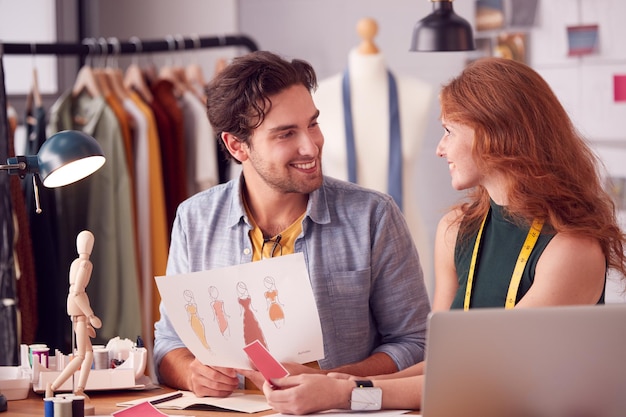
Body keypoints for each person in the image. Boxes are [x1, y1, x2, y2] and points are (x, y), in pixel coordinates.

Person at [260, 57, 626, 414]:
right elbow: (443, 364)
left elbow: (488, 375)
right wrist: (336, 382)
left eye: (449, 131)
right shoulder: (456, 229)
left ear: (494, 134)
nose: (439, 148)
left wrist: (345, 394)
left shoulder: (569, 251)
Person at [152, 50, 431, 398]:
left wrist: (331, 382)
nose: (311, 146)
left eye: (312, 123)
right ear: (237, 145)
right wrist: (191, 373)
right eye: (286, 134)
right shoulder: (194, 219)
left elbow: (416, 343)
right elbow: (168, 343)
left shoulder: (373, 216)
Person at [46, 230, 102, 400]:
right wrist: (90, 315)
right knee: (81, 356)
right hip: (80, 311)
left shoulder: (76, 262)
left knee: (88, 353)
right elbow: (77, 292)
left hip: (77, 312)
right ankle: (54, 386)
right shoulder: (85, 264)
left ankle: (79, 388)